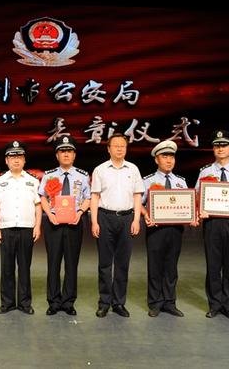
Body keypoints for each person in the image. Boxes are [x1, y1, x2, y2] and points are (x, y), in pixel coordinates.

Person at [195, 130, 229, 320]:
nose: (220, 149)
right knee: (213, 265)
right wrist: (200, 208)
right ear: (213, 149)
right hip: (212, 223)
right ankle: (215, 304)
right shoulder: (205, 171)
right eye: (217, 145)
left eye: (224, 145)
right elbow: (197, 195)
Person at [90, 133, 144, 318]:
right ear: (109, 149)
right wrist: (94, 221)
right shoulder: (100, 170)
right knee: (105, 263)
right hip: (105, 218)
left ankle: (119, 303)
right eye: (116, 145)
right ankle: (104, 302)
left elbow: (137, 196)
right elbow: (95, 197)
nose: (120, 148)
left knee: (122, 263)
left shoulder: (133, 169)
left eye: (123, 146)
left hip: (127, 218)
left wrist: (136, 219)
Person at [39, 136, 90, 316]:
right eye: (62, 151)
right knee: (53, 263)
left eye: (69, 151)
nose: (66, 154)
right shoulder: (49, 175)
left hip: (74, 223)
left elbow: (88, 198)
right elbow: (42, 197)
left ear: (74, 155)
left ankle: (68, 301)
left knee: (71, 263)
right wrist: (50, 214)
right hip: (54, 223)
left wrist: (80, 212)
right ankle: (53, 301)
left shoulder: (83, 176)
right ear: (57, 155)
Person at [0, 140, 42, 315]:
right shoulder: (0, 181)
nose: (16, 160)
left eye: (19, 156)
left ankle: (25, 303)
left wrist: (38, 226)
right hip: (6, 228)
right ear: (7, 160)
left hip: (27, 228)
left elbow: (38, 205)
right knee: (7, 268)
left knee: (25, 267)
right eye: (12, 157)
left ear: (24, 160)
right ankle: (7, 303)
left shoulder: (33, 181)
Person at [141, 140, 189, 318]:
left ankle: (169, 302)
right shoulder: (147, 181)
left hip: (175, 230)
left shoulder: (180, 182)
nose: (169, 160)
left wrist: (191, 216)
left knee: (171, 267)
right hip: (156, 231)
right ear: (156, 159)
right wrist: (146, 214)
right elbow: (139, 203)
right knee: (155, 266)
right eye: (164, 156)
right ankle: (155, 302)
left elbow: (188, 205)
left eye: (171, 157)